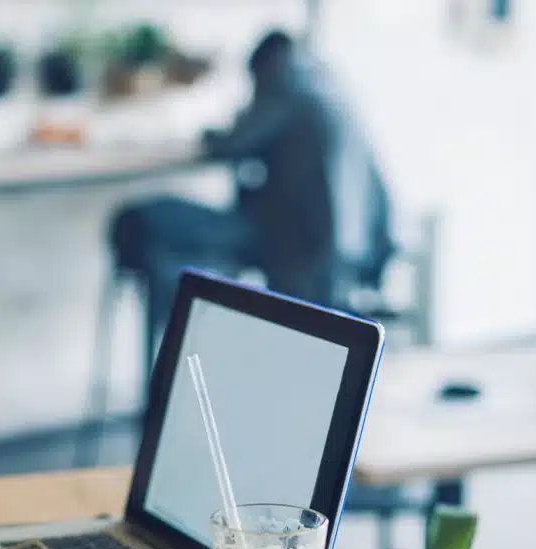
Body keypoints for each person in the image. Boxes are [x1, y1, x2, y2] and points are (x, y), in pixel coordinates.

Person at [109, 30, 394, 339]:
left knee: (141, 221)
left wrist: (212, 132)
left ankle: (181, 335)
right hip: (341, 245)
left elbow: (231, 144)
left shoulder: (286, 85)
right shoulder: (331, 87)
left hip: (291, 242)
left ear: (263, 66)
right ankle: (190, 325)